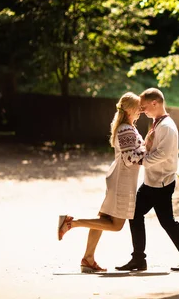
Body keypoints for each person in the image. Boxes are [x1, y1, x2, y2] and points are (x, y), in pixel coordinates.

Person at [57, 92, 146, 273]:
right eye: (138, 108)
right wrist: (149, 150)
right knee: (115, 225)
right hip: (123, 182)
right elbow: (130, 158)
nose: (141, 112)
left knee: (102, 220)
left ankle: (87, 259)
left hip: (119, 179)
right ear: (129, 109)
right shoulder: (126, 129)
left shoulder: (124, 127)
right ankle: (71, 223)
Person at [115, 88, 179, 272]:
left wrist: (141, 160)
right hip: (151, 182)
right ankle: (139, 259)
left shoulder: (167, 127)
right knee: (135, 214)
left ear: (155, 103)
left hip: (161, 183)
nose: (142, 110)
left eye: (144, 107)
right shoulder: (157, 122)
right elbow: (152, 147)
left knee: (167, 222)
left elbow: (163, 154)